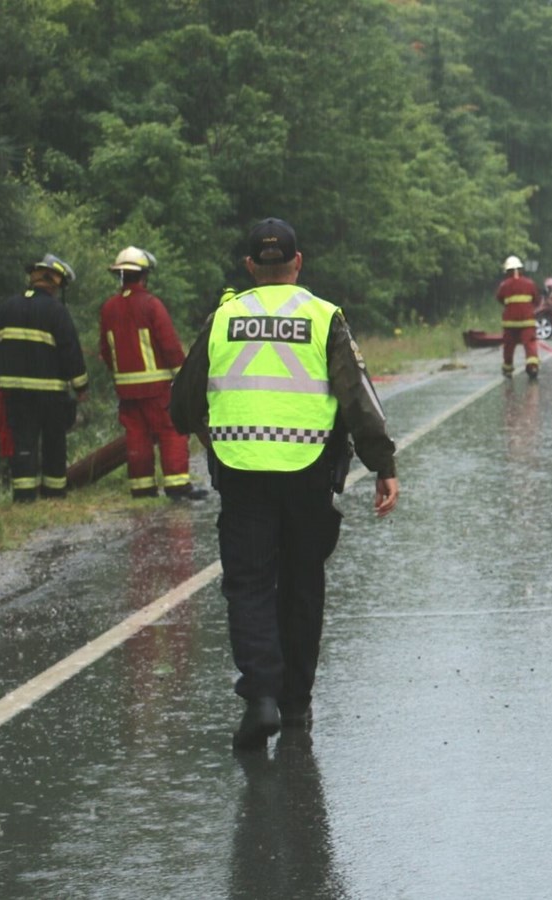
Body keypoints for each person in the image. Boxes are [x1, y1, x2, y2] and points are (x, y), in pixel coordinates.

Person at [170, 218, 399, 751]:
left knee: (248, 585)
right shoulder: (323, 318)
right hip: (309, 474)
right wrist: (382, 464)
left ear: (250, 268)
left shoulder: (224, 318)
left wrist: (216, 434)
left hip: (242, 472)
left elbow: (182, 406)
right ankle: (295, 705)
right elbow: (356, 398)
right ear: (298, 264)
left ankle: (260, 698)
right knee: (301, 585)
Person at [98, 246, 205, 499]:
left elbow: (104, 349)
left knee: (137, 436)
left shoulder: (109, 308)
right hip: (158, 388)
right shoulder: (151, 305)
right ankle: (177, 484)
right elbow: (168, 344)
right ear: (144, 275)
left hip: (126, 390)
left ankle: (142, 487)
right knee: (171, 431)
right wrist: (184, 377)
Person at [0, 254, 88, 502]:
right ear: (54, 283)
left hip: (16, 393)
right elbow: (70, 352)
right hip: (51, 394)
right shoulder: (57, 311)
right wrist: (81, 386)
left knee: (23, 443)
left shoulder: (6, 308)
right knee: (54, 442)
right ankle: (53, 493)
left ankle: (24, 496)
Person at [495, 255, 541, 378]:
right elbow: (536, 300)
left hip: (510, 323)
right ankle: (533, 367)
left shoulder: (504, 285)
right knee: (530, 344)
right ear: (520, 269)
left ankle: (508, 368)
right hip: (527, 322)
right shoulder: (530, 283)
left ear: (508, 271)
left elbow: (499, 298)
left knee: (509, 346)